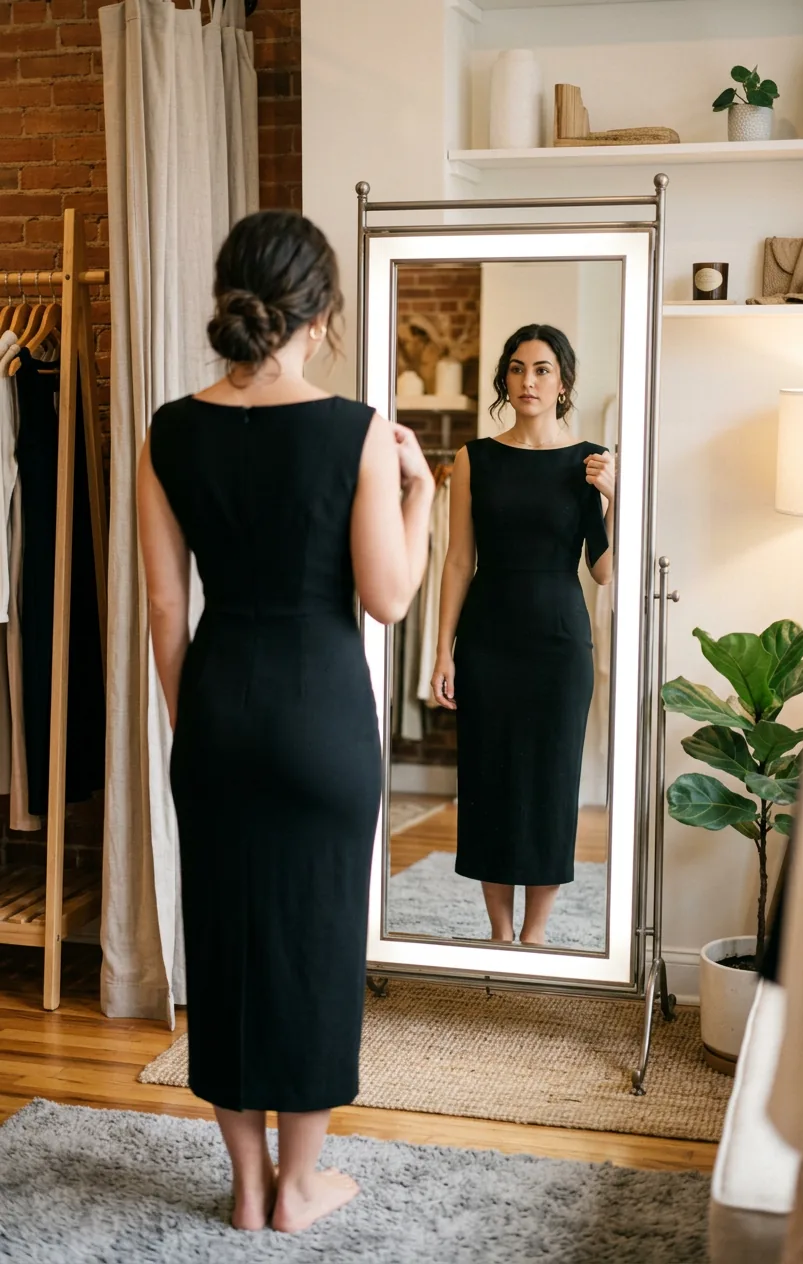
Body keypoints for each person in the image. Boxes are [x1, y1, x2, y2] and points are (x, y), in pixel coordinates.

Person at [137, 210, 434, 1233]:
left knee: (224, 939)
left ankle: (247, 1179)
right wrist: (423, 497)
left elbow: (167, 611)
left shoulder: (169, 429)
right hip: (320, 714)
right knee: (311, 940)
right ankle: (301, 1186)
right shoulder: (352, 428)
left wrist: (196, 723)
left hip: (219, 706)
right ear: (323, 311)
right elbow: (387, 597)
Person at [430, 324, 615, 946]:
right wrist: (442, 649)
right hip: (487, 638)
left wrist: (615, 499)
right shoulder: (473, 457)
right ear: (504, 379)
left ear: (562, 381)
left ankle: (535, 936)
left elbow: (605, 569)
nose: (527, 380)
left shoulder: (590, 461)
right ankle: (499, 933)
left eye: (540, 369)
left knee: (552, 782)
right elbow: (458, 561)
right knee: (488, 779)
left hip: (561, 643)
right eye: (516, 368)